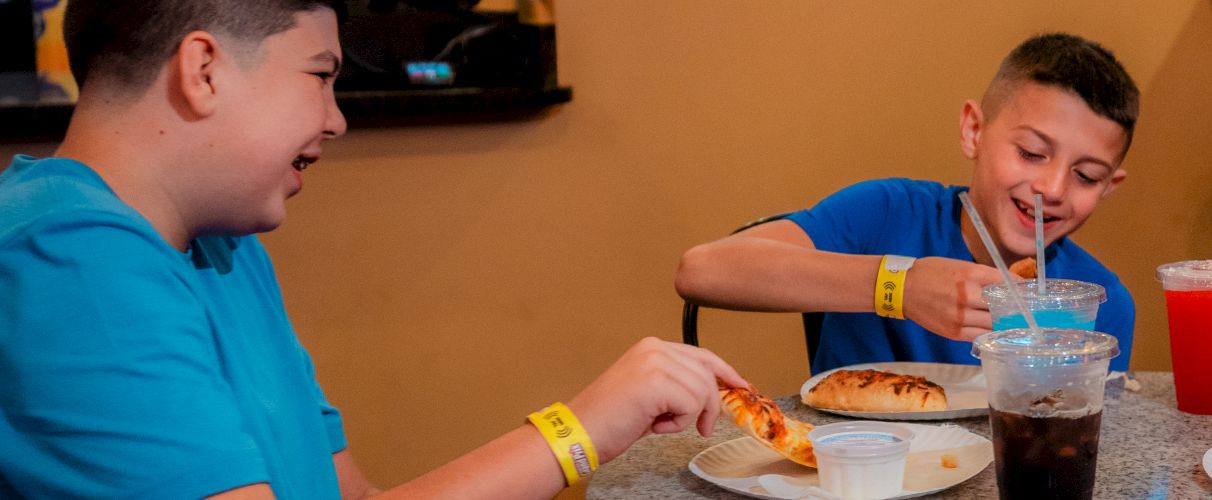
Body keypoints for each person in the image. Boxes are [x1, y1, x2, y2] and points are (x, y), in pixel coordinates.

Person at [0, 1, 746, 497]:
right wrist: (575, 430)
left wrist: (587, 436)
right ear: (204, 71)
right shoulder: (68, 259)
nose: (335, 120)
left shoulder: (222, 243)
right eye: (321, 77)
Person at [676, 33, 1141, 373]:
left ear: (1109, 185)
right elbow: (703, 270)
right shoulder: (886, 212)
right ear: (974, 131)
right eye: (1031, 153)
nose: (1053, 188)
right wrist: (899, 287)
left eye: (1085, 176)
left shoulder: (1103, 303)